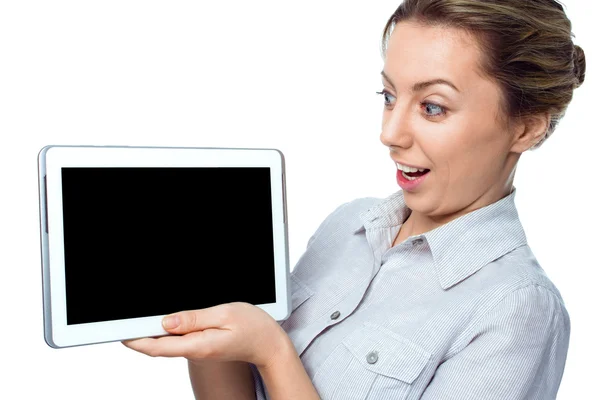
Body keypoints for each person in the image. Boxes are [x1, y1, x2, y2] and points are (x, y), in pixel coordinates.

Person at [123, 0, 586, 398]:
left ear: (525, 127)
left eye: (432, 107)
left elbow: (268, 351)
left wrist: (272, 352)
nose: (389, 133)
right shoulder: (347, 226)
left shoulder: (518, 310)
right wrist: (207, 327)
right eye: (388, 95)